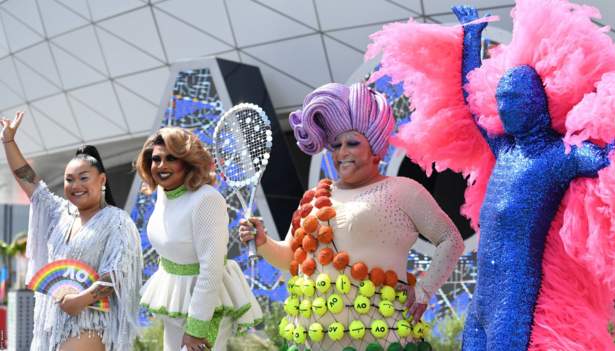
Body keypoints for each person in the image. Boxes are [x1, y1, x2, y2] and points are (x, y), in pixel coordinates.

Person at [366, 1, 615, 349]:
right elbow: (471, 103)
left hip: (514, 298)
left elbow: (609, 159)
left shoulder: (557, 155)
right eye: (502, 98)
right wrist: (472, 38)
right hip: (482, 296)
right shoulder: (505, 150)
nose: (505, 106)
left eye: (514, 98)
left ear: (537, 101)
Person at [239, 82, 464, 350]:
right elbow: (290, 257)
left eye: (352, 143)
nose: (342, 152)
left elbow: (450, 239)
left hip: (381, 338)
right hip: (315, 340)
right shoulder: (312, 197)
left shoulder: (402, 190)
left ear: (375, 149)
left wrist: (424, 289)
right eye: (335, 145)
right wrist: (263, 242)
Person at [0, 111, 143, 351]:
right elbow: (29, 180)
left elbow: (117, 274)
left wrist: (81, 300)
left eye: (83, 178)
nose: (75, 185)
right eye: (69, 179)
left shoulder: (117, 221)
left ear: (102, 180)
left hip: (91, 322)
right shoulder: (59, 212)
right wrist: (9, 141)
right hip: (52, 320)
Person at [137, 127, 262, 351]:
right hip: (176, 298)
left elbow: (211, 268)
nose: (161, 166)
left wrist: (196, 329)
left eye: (171, 158)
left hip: (207, 306)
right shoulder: (164, 194)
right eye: (156, 159)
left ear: (188, 162)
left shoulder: (206, 199)